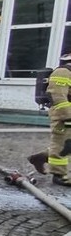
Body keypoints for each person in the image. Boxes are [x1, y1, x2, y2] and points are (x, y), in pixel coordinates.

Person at [41, 53, 71, 186]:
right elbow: (57, 96)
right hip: (63, 115)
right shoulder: (63, 72)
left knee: (67, 144)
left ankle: (39, 158)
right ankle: (59, 175)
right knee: (62, 144)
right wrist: (67, 115)